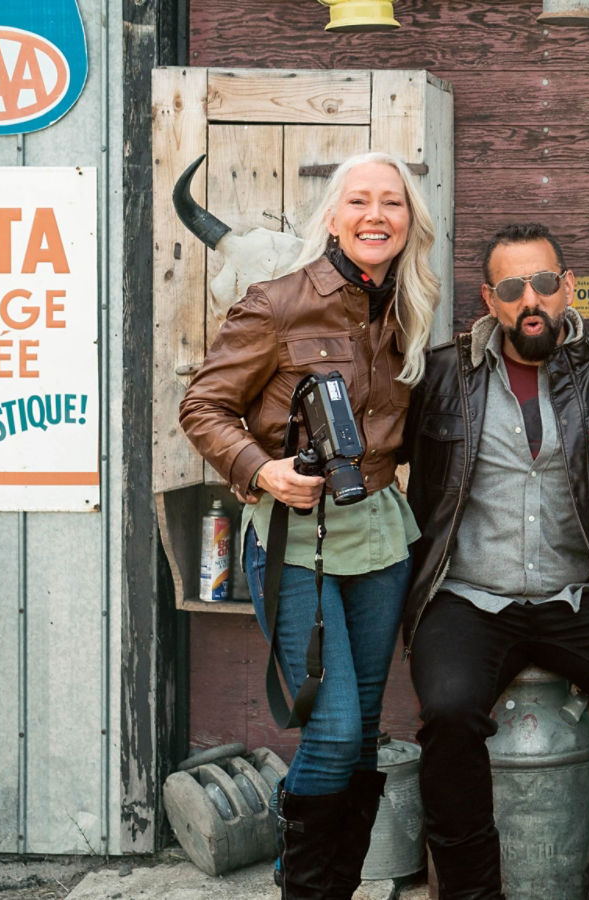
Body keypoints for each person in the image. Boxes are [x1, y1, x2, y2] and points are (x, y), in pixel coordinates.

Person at [402, 215, 589, 900]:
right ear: (489, 300)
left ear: (569, 287)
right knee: (449, 714)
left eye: (543, 282)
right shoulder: (442, 378)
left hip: (583, 594)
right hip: (469, 597)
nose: (530, 300)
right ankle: (473, 891)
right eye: (512, 287)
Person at [179, 151, 441, 898]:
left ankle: (336, 888)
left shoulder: (407, 304)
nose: (375, 216)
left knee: (359, 742)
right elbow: (202, 406)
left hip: (380, 538)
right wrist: (262, 471)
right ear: (332, 215)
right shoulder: (279, 301)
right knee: (329, 738)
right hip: (297, 542)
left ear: (408, 220)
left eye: (391, 203)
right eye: (359, 201)